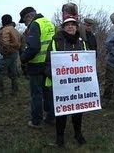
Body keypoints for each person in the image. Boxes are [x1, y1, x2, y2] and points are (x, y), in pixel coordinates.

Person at [45, 15, 87, 147]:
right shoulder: (56, 41)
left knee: (78, 110)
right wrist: (55, 77)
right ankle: (60, 137)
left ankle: (78, 134)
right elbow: (47, 63)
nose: (70, 26)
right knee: (61, 112)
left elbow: (88, 63)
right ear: (63, 27)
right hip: (61, 85)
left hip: (77, 84)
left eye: (73, 24)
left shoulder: (83, 42)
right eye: (67, 24)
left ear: (76, 27)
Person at [19, 7, 55, 128]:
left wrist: (23, 58)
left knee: (36, 94)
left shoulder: (35, 24)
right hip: (49, 63)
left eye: (24, 21)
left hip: (37, 65)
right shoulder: (49, 23)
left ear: (28, 17)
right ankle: (51, 116)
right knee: (48, 91)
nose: (25, 25)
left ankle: (36, 121)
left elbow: (34, 47)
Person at [0, 14, 21, 99]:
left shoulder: (5, 30)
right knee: (13, 71)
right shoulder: (15, 30)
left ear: (3, 21)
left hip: (8, 54)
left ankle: (0, 91)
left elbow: (5, 43)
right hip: (15, 53)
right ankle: (15, 90)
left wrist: (6, 52)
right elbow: (20, 41)